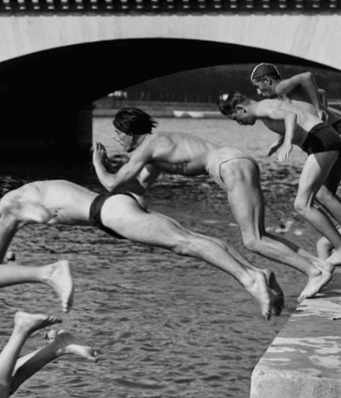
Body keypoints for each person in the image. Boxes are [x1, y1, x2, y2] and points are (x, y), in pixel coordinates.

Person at [0, 178, 283, 321]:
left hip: (110, 214)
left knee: (184, 243)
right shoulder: (36, 191)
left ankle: (249, 280)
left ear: (2, 197)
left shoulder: (12, 200)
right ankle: (256, 273)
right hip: (114, 205)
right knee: (188, 238)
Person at [92, 107, 332, 302]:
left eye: (117, 133)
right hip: (236, 161)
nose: (116, 138)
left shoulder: (146, 149)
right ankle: (318, 264)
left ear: (130, 132)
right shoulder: (157, 146)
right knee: (261, 235)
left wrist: (97, 163)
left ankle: (313, 272)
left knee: (253, 240)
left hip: (229, 166)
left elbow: (112, 184)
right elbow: (138, 187)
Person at [218, 91, 341, 270]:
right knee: (323, 194)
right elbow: (299, 115)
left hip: (321, 143)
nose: (240, 123)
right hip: (328, 137)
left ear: (240, 108)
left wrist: (287, 143)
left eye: (236, 118)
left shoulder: (262, 108)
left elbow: (290, 115)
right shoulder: (267, 105)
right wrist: (280, 139)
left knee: (302, 204)